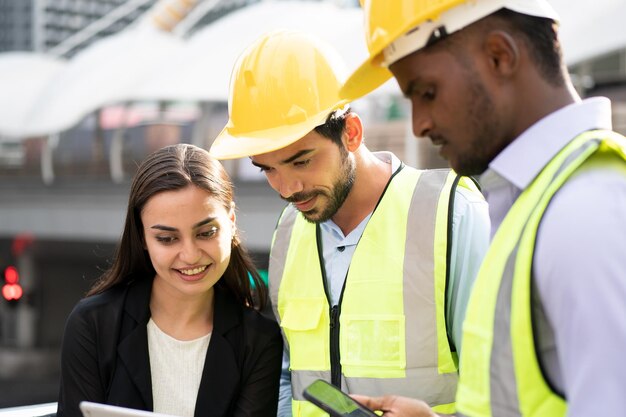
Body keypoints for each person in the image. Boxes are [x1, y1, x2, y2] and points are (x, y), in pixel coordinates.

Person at [340, 0, 626, 416]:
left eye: (427, 92)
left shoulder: (586, 213)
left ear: (499, 56)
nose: (419, 122)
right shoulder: (538, 201)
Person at [210, 30, 490, 417]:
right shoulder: (289, 232)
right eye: (267, 169)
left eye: (301, 161)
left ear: (352, 133)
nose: (287, 188)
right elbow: (290, 377)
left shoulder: (452, 213)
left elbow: (502, 389)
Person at [57, 144, 283, 417]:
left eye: (206, 232)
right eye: (167, 239)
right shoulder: (94, 325)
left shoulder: (258, 341)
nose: (190, 255)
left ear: (231, 221)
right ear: (142, 237)